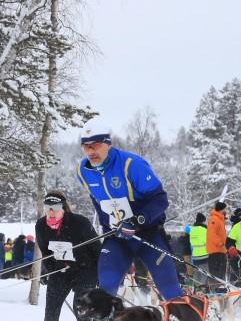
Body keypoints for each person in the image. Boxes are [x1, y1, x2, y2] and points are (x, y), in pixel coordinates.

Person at [75, 121, 182, 300]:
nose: (91, 151)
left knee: (170, 292)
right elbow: (97, 203)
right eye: (85, 147)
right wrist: (107, 230)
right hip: (118, 239)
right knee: (105, 291)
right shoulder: (83, 171)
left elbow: (160, 200)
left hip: (148, 234)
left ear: (108, 144)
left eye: (96, 145)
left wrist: (137, 220)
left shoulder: (131, 164)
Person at [34, 191, 99, 321]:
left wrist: (94, 270)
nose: (51, 212)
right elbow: (46, 252)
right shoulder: (41, 225)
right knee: (51, 312)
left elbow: (96, 249)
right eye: (47, 208)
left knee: (82, 310)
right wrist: (51, 268)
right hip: (60, 271)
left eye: (54, 208)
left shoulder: (79, 223)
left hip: (85, 270)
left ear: (63, 208)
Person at [188, 212, 209, 284]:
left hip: (195, 256)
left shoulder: (192, 230)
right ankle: (201, 289)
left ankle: (196, 288)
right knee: (205, 274)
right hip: (204, 255)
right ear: (203, 221)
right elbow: (208, 241)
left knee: (196, 274)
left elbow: (191, 242)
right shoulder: (204, 230)